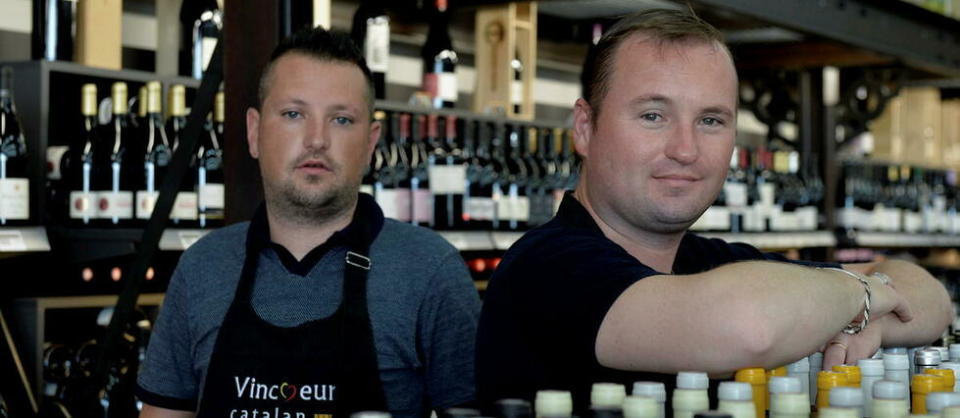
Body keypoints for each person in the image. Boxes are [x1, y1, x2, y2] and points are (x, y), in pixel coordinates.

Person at [475, 8, 953, 413]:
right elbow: (750, 327)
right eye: (653, 115)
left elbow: (930, 301)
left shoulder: (715, 262)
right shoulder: (548, 267)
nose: (685, 149)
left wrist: (860, 302)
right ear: (584, 127)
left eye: (710, 120)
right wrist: (865, 295)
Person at [137, 27, 480, 418]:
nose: (316, 139)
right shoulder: (202, 267)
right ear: (254, 132)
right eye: (293, 114)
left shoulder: (431, 272)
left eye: (341, 119)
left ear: (370, 144)